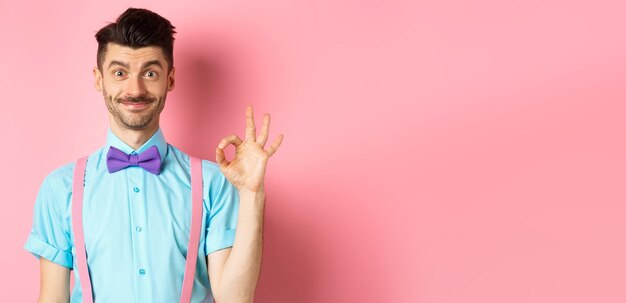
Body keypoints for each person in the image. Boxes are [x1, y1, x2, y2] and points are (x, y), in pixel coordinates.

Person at [24, 7, 283, 303]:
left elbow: (234, 300)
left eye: (150, 73)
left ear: (170, 80)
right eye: (120, 73)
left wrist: (252, 194)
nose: (135, 89)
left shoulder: (214, 182)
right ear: (99, 80)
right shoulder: (60, 188)